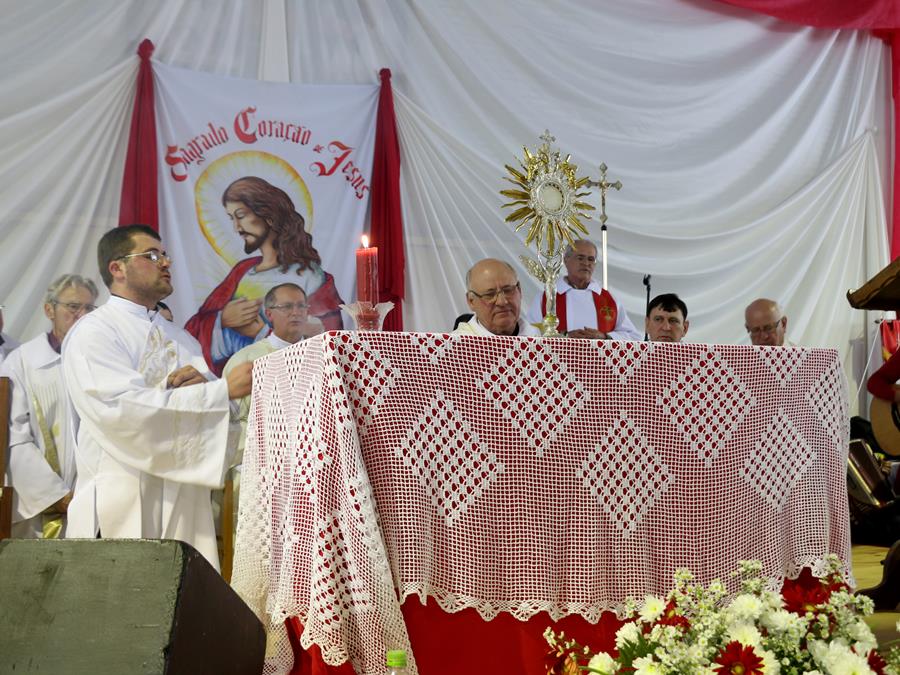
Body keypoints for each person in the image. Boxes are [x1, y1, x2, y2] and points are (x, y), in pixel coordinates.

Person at [62, 224, 253, 570]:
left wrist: (210, 392)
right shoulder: (94, 332)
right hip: (121, 494)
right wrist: (220, 390)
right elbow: (119, 410)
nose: (165, 262)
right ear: (117, 268)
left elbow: (215, 424)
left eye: (165, 255)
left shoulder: (182, 340)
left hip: (184, 503)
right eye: (152, 255)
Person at [186, 176, 343, 376]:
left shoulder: (309, 276)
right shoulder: (242, 271)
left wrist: (260, 333)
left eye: (241, 215)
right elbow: (193, 331)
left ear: (268, 215)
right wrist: (221, 320)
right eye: (232, 218)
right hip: (236, 381)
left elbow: (327, 346)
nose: (236, 228)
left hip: (287, 380)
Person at [1, 274, 98, 538]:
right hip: (39, 508)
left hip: (92, 503)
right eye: (73, 306)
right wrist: (57, 496)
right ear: (49, 310)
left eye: (89, 308)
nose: (82, 315)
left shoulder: (99, 361)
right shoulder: (21, 362)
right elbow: (13, 439)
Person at [223, 283, 318, 464]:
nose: (296, 312)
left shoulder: (321, 355)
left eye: (301, 306)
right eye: (287, 307)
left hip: (314, 460)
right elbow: (231, 421)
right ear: (269, 314)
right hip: (262, 462)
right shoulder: (246, 359)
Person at [524, 239, 641, 340]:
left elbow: (633, 337)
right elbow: (529, 333)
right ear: (566, 260)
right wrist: (563, 336)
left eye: (591, 259)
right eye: (580, 258)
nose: (586, 263)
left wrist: (605, 336)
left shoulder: (608, 299)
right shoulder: (548, 297)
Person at [455, 259, 540, 336]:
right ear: (471, 301)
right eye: (490, 294)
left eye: (508, 290)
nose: (502, 302)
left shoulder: (540, 339)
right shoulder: (458, 345)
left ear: (519, 290)